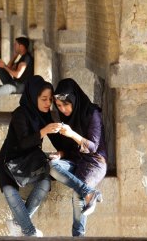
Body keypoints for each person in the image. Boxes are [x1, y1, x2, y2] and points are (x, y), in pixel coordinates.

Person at [0, 75, 63, 237]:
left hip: (32, 159)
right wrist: (44, 131)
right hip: (10, 161)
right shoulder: (20, 114)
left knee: (45, 183)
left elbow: (57, 140)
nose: (48, 103)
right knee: (9, 189)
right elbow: (23, 143)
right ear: (34, 97)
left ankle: (17, 223)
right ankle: (29, 230)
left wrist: (62, 152)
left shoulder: (44, 114)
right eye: (44, 99)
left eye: (50, 100)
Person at [47, 78, 107, 237]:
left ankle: (78, 236)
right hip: (75, 161)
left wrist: (72, 134)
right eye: (59, 106)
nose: (63, 109)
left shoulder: (91, 113)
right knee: (52, 166)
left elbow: (93, 147)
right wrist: (60, 154)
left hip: (94, 162)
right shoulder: (66, 118)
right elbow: (69, 149)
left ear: (74, 100)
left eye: (66, 104)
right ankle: (90, 193)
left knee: (76, 194)